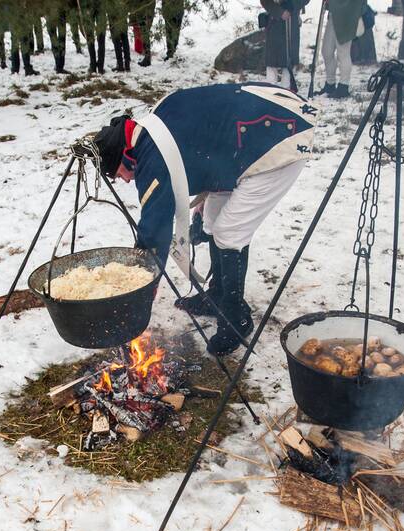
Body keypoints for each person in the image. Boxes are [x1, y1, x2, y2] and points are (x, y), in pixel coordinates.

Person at [91, 83, 319, 354]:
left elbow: (154, 230)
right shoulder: (150, 129)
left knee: (229, 232)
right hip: (240, 146)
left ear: (126, 156)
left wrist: (140, 285)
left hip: (276, 139)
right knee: (211, 219)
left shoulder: (153, 160)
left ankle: (236, 318)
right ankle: (217, 296)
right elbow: (202, 145)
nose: (123, 180)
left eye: (118, 174)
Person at [320, 0, 366, 98]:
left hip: (348, 14)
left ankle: (343, 86)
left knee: (343, 53)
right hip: (334, 14)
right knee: (326, 51)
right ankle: (330, 84)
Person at [261, 0, 307, 88]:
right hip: (274, 21)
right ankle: (270, 89)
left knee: (289, 59)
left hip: (292, 20)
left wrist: (291, 6)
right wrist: (279, 12)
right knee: (271, 60)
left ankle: (286, 89)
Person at [107, 0, 131, 72]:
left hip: (114, 11)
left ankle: (120, 64)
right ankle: (127, 64)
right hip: (123, 9)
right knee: (124, 37)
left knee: (117, 39)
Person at [131, 0, 155, 66]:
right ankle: (147, 56)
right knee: (144, 34)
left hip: (144, 13)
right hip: (146, 12)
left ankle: (147, 58)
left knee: (144, 34)